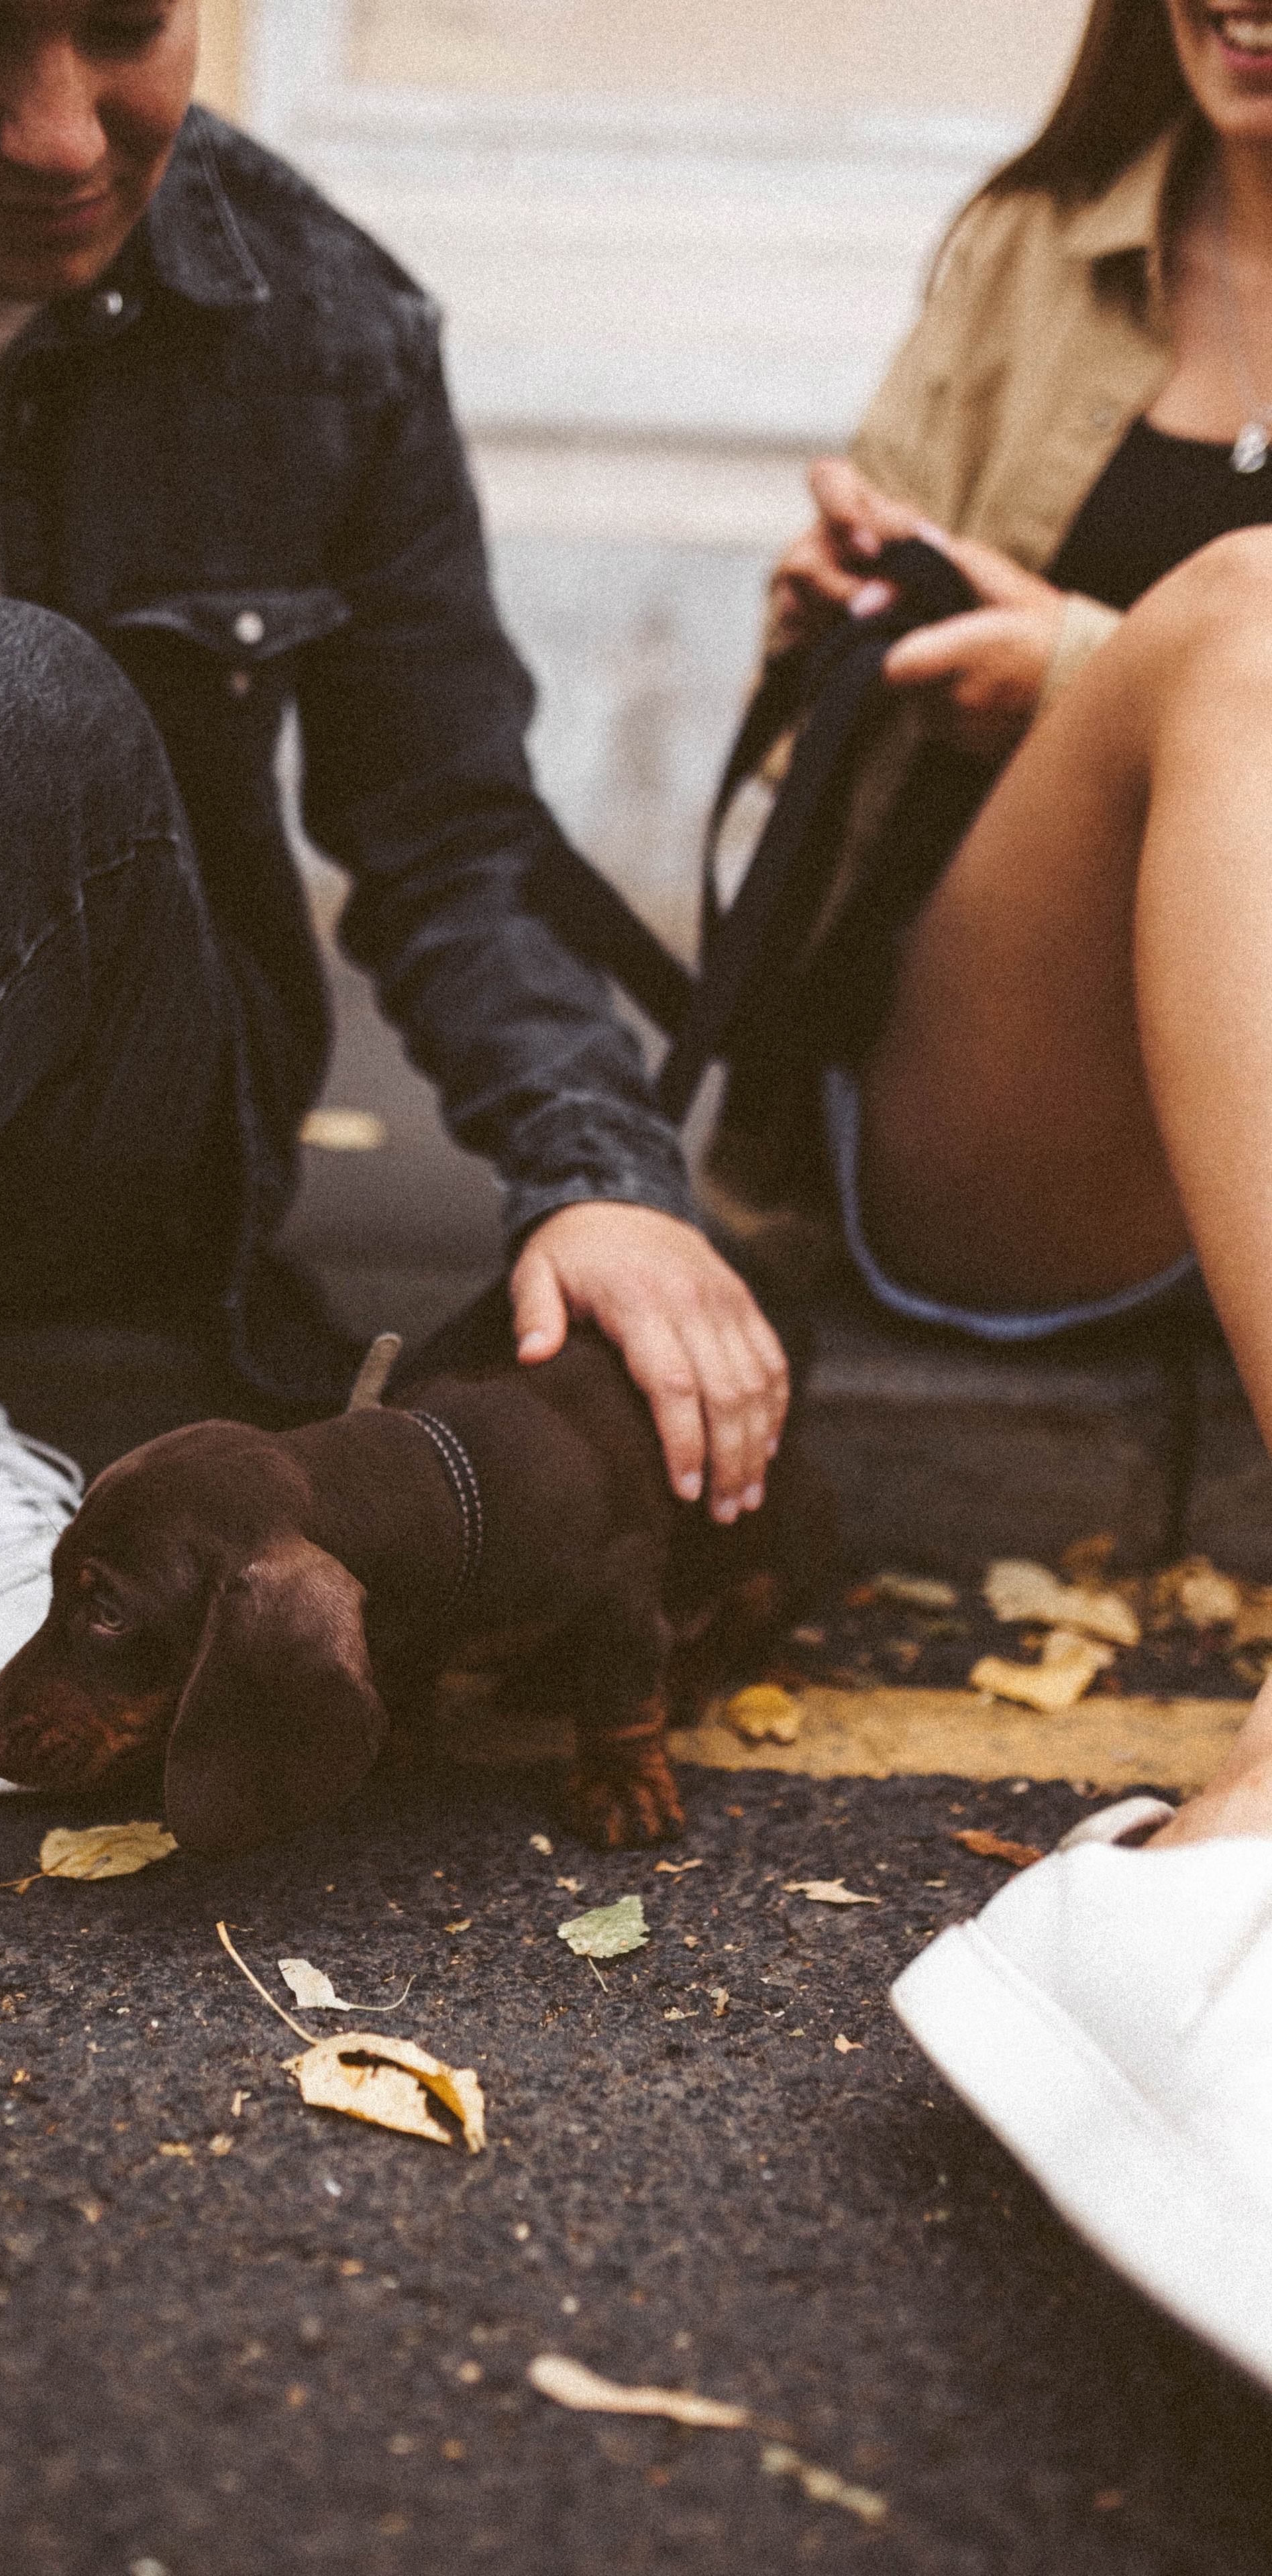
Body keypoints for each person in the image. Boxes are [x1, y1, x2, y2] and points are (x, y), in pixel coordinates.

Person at [0, 0, 788, 1794]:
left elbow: (447, 833)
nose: (63, 134)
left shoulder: (319, 320)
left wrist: (598, 1180)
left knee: (0, 699)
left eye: (128, 26)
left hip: (51, 1116)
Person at [749, 0, 1272, 2391]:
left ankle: (1209, 1916)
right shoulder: (1035, 250)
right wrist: (898, 625)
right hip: (1017, 1092)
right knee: (1250, 630)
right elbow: (838, 664)